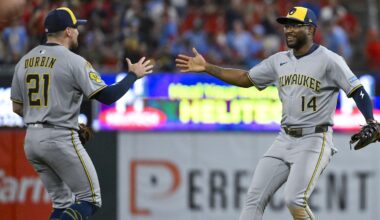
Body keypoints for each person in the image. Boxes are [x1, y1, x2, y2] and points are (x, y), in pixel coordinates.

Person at [176, 6, 375, 220]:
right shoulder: (279, 60)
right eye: (286, 26)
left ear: (310, 29)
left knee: (294, 200)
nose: (288, 30)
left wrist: (371, 120)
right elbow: (245, 79)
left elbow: (358, 91)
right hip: (284, 138)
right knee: (254, 197)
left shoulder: (329, 60)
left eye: (295, 26)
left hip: (315, 138)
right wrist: (208, 68)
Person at [10, 7, 153, 220]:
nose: (78, 32)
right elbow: (107, 96)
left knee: (62, 203)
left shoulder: (24, 61)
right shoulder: (73, 61)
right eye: (76, 28)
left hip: (31, 139)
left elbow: (17, 108)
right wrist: (132, 76)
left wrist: (45, 119)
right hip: (59, 137)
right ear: (68, 31)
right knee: (90, 199)